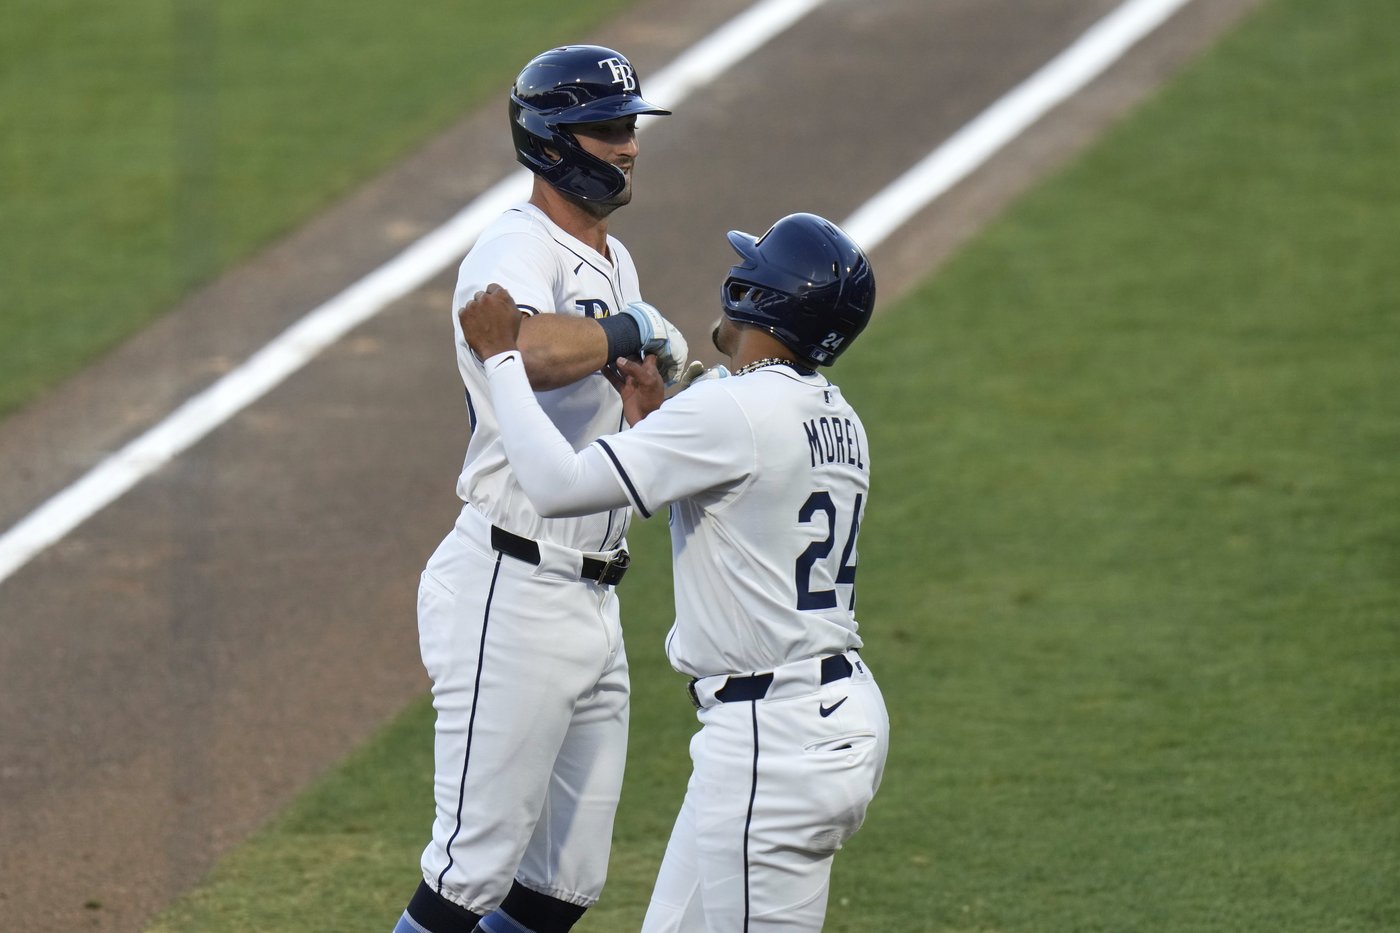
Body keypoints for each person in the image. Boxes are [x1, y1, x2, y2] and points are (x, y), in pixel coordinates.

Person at [459, 212, 891, 932]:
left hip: (772, 743)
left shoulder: (730, 408)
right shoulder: (839, 417)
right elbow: (735, 507)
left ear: (758, 296)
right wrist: (653, 421)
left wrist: (502, 359)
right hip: (824, 719)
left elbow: (559, 485)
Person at [393, 45, 689, 933]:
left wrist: (650, 405)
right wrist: (636, 329)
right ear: (554, 141)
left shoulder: (613, 259)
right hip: (509, 585)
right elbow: (518, 344)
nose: (627, 146)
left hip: (593, 595)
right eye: (606, 129)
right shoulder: (513, 246)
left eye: (630, 127)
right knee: (467, 871)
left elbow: (604, 402)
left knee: (561, 883)